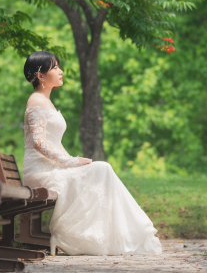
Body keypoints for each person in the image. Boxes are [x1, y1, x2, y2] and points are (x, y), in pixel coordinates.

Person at [21, 51, 162, 256]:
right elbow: (38, 143)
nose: (60, 71)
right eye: (54, 67)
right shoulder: (36, 101)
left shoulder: (46, 101)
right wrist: (70, 162)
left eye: (59, 66)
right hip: (41, 172)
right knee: (102, 168)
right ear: (40, 76)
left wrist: (75, 161)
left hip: (52, 167)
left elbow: (55, 143)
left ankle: (112, 234)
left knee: (99, 168)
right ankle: (94, 236)